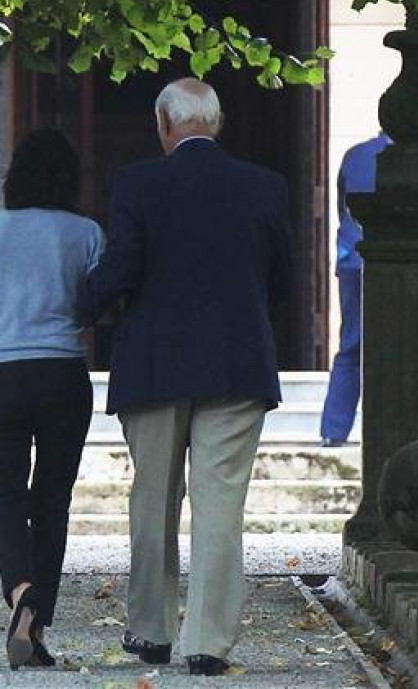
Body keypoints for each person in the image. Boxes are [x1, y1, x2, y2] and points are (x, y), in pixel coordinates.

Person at [80, 78, 292, 676]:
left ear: (164, 126)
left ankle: (150, 631)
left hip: (155, 364)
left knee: (153, 499)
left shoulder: (137, 184)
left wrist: (83, 308)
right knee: (220, 504)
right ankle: (207, 643)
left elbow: (120, 271)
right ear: (216, 124)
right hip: (237, 361)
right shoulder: (264, 187)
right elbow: (281, 283)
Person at [0, 128, 105, 670]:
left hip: (1, 374)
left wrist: (4, 307)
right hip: (63, 372)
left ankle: (20, 593)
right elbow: (95, 305)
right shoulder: (86, 232)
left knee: (6, 495)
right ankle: (37, 624)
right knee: (53, 500)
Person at [320, 133, 390, 447]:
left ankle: (333, 430)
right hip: (392, 259)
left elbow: (342, 208)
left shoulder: (355, 155)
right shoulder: (411, 157)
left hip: (353, 257)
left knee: (351, 345)